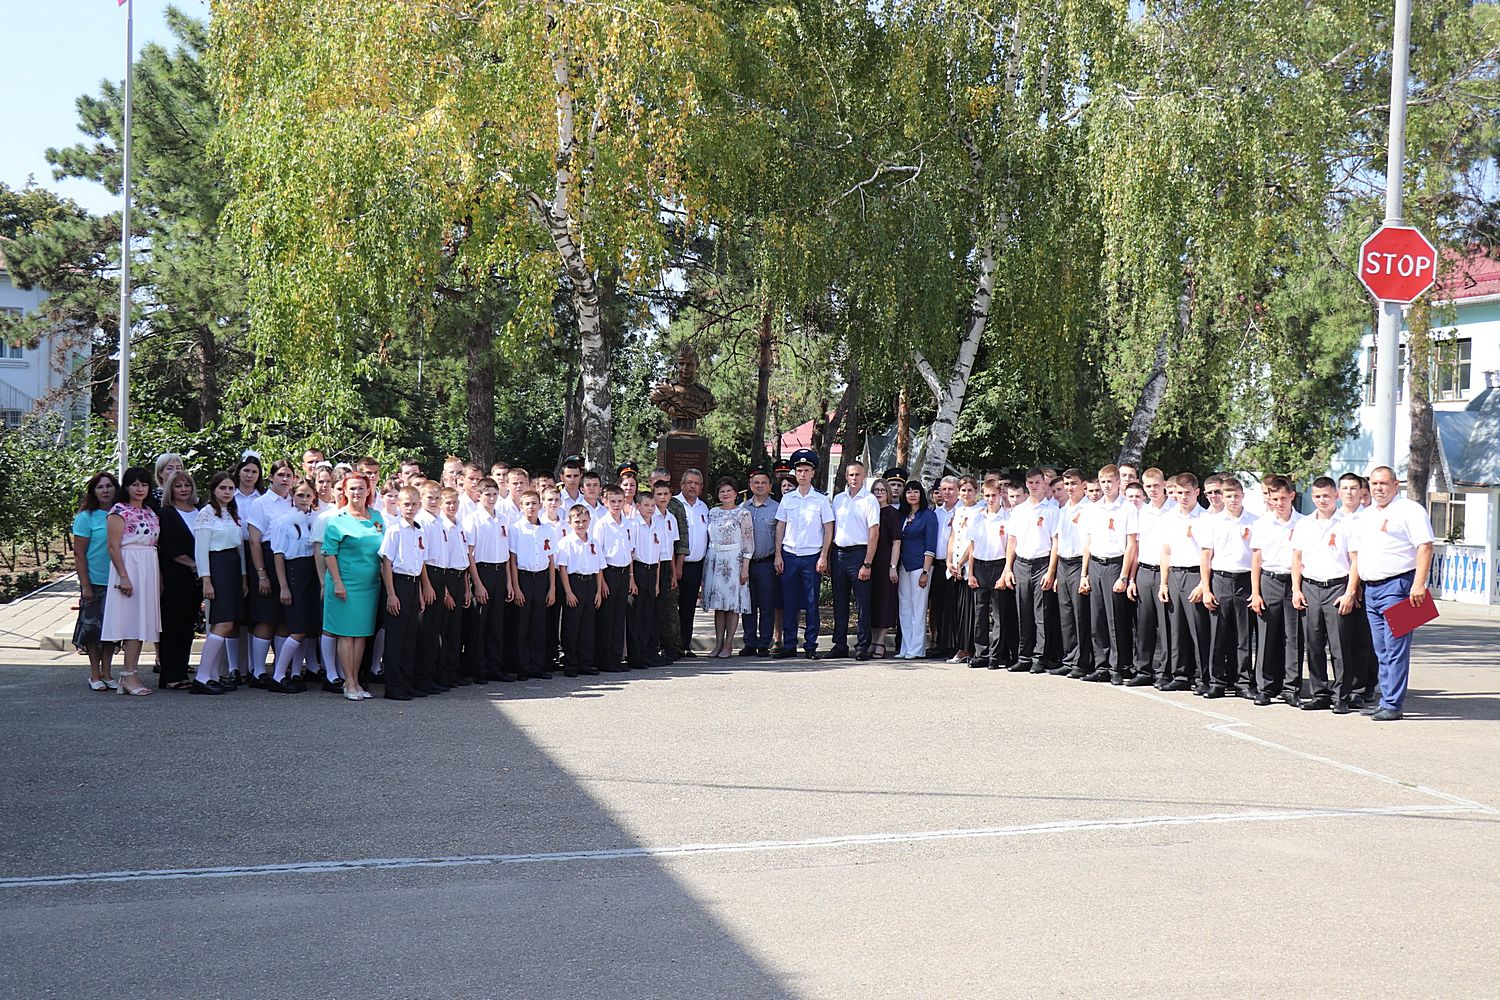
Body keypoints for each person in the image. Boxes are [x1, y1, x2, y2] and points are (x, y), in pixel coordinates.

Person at [1346, 466, 1435, 721]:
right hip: (1371, 589)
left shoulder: (1409, 510)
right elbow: (1357, 554)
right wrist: (1355, 587)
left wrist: (1419, 584)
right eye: (1374, 484)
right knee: (1381, 649)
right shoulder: (1366, 515)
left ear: (1396, 484)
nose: (1378, 488)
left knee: (1395, 648)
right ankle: (1385, 699)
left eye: (1384, 483)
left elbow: (1425, 546)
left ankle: (1393, 704)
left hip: (1399, 585)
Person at [1291, 478, 1360, 713]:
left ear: (1336, 496)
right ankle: (1319, 693)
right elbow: (1297, 559)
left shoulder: (1347, 524)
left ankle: (1341, 696)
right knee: (1314, 644)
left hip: (1337, 587)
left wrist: (1350, 592)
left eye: (1327, 496)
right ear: (1312, 497)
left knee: (1340, 647)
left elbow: (1355, 561)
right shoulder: (1304, 524)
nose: (1322, 500)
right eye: (1318, 496)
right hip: (1310, 587)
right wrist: (1296, 589)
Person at [321, 473, 386, 701]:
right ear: (345, 492)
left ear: (368, 491)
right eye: (352, 488)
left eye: (361, 488)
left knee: (361, 635)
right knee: (346, 635)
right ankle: (348, 682)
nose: (357, 492)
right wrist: (338, 582)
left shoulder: (376, 517)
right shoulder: (337, 520)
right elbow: (329, 553)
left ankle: (356, 681)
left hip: (370, 586)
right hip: (345, 585)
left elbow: (383, 549)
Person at [101, 467, 161, 696]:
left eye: (144, 484)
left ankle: (131, 674)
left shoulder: (150, 512)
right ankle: (127, 674)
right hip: (129, 566)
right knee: (131, 622)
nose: (139, 489)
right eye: (135, 484)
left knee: (142, 623)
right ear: (126, 487)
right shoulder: (118, 511)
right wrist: (124, 576)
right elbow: (113, 546)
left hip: (148, 566)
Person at [1199, 476, 1258, 699]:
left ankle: (1243, 681)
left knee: (1244, 635)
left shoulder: (1255, 521)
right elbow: (1206, 557)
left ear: (1243, 496)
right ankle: (1217, 681)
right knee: (1218, 634)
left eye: (1236, 496)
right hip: (1221, 578)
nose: (1233, 500)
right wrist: (1206, 588)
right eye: (1229, 496)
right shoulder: (1212, 522)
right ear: (1222, 498)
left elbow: (1257, 556)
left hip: (1245, 580)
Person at [773, 449, 834, 659]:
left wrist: (824, 556)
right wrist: (778, 555)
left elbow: (828, 528)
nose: (802, 474)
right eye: (799, 470)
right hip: (790, 555)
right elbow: (780, 527)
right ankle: (789, 644)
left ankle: (810, 645)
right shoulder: (788, 499)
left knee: (811, 603)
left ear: (813, 473)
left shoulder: (821, 500)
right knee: (789, 603)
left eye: (807, 470)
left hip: (811, 557)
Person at [1249, 475, 1304, 707]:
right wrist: (1255, 593)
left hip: (1293, 582)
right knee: (1267, 636)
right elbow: (1256, 560)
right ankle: (1265, 687)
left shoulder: (1303, 523)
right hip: (1269, 580)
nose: (1279, 503)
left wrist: (1297, 588)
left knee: (1293, 637)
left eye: (1283, 498)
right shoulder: (1262, 524)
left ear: (1292, 496)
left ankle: (1291, 688)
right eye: (1275, 499)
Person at [1000, 468, 1060, 674]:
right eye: (1031, 483)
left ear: (1044, 484)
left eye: (1037, 482)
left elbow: (1055, 542)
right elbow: (1012, 541)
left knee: (1041, 614)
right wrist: (1008, 568)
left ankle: (1039, 657)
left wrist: (1051, 571)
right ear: (1026, 484)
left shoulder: (1052, 510)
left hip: (1042, 563)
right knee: (1023, 612)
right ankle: (1024, 656)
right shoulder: (1018, 511)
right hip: (1022, 564)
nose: (1034, 486)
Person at [379, 485, 435, 700]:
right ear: (399, 505)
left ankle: (406, 682)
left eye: (414, 504)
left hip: (413, 585)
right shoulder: (394, 530)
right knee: (396, 638)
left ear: (419, 505)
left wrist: (421, 591)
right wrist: (391, 594)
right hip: (398, 583)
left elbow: (420, 563)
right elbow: (386, 562)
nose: (410, 508)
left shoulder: (420, 531)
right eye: (406, 504)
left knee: (411, 637)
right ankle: (393, 686)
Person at [194, 472, 246, 695]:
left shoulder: (231, 512)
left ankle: (214, 675)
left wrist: (243, 575)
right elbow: (201, 550)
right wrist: (206, 580)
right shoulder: (206, 514)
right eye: (222, 488)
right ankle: (202, 676)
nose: (227, 492)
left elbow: (239, 547)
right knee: (222, 622)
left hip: (232, 568)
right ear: (213, 490)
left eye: (230, 488)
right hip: (218, 568)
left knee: (229, 623)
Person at [244, 459, 296, 686]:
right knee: (266, 617)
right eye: (281, 475)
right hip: (267, 558)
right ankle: (258, 671)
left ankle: (279, 670)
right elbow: (254, 541)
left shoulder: (295, 500)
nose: (285, 479)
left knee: (285, 618)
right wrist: (262, 574)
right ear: (271, 477)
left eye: (289, 475)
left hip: (290, 561)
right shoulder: (261, 503)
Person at [1157, 473, 1210, 693]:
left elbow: (1208, 554)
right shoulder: (1169, 517)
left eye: (1188, 493)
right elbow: (1166, 552)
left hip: (1196, 574)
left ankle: (1202, 677)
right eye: (1179, 493)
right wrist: (1163, 583)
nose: (1183, 497)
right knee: (1176, 629)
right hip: (1175, 574)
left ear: (1197, 492)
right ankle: (1180, 675)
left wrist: (1203, 584)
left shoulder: (1205, 518)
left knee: (1198, 629)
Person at [1079, 464, 1132, 683]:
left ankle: (1117, 667)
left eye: (1110, 481)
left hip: (1115, 564)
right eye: (1103, 482)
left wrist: (1124, 576)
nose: (1106, 486)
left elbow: (1131, 545)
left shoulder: (1127, 508)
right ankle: (1101, 665)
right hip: (1095, 564)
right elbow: (1088, 542)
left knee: (1114, 620)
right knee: (1097, 619)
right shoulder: (1092, 509)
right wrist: (1084, 574)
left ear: (1118, 482)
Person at [268, 479, 321, 693]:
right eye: (300, 495)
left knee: (307, 629)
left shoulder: (315, 520)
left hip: (311, 574)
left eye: (308, 495)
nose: (304, 499)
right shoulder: (283, 522)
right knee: (297, 629)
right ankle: (279, 675)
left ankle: (296, 673)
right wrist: (284, 586)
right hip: (294, 574)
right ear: (292, 495)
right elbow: (278, 555)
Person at [1125, 468, 1175, 687]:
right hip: (1144, 571)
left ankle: (1165, 671)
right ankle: (1143, 669)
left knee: (1166, 625)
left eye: (1156, 485)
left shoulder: (1174, 511)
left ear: (1164, 485)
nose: (1153, 490)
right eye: (1148, 486)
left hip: (1167, 572)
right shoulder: (1142, 512)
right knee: (1144, 625)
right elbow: (1136, 547)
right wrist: (1131, 579)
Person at [828, 460, 881, 660]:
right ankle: (839, 644)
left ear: (864, 476)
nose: (854, 478)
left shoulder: (869, 500)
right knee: (839, 602)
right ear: (845, 476)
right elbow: (832, 528)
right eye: (851, 475)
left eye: (858, 474)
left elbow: (874, 532)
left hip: (860, 554)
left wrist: (867, 563)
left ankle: (862, 645)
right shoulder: (838, 499)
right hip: (839, 554)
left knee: (862, 604)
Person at [464, 477, 515, 683]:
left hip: (500, 571)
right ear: (479, 495)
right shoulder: (473, 519)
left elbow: (506, 553)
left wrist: (509, 582)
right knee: (479, 624)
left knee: (497, 623)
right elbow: (469, 554)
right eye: (487, 494)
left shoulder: (501, 518)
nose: (492, 498)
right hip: (482, 571)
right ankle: (478, 669)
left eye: (494, 494)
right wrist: (477, 584)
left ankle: (495, 667)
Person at [72, 471, 119, 691]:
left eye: (109, 486)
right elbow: (79, 554)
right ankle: (94, 674)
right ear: (93, 491)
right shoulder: (86, 517)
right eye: (100, 487)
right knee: (93, 631)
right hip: (95, 581)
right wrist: (85, 585)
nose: (105, 491)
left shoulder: (122, 513)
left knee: (112, 630)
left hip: (118, 581)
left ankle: (108, 672)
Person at [156, 470, 203, 691]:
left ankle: (182, 671)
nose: (184, 489)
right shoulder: (166, 513)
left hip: (196, 579)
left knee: (187, 627)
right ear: (171, 489)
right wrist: (192, 563)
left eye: (187, 485)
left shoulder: (200, 510)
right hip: (176, 576)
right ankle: (170, 675)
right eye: (178, 486)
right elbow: (168, 546)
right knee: (172, 625)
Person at [703, 477, 754, 658]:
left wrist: (745, 567)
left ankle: (728, 643)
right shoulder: (712, 512)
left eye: (729, 491)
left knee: (732, 605)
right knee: (719, 605)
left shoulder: (743, 513)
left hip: (735, 561)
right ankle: (718, 643)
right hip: (715, 560)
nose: (725, 494)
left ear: (735, 493)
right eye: (722, 491)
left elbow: (748, 541)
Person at [963, 478, 1010, 670]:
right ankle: (980, 653)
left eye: (994, 495)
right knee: (980, 613)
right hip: (980, 566)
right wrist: (971, 573)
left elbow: (1009, 548)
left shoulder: (1007, 517)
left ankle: (996, 655)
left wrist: (1005, 572)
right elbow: (972, 547)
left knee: (998, 614)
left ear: (1000, 495)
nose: (990, 499)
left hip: (999, 565)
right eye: (987, 496)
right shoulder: (977, 518)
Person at [511, 490, 557, 679]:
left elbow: (551, 559)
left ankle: (537, 666)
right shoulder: (516, 529)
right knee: (522, 625)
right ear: (521, 507)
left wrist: (552, 588)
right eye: (527, 504)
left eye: (534, 503)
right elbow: (513, 560)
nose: (531, 507)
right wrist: (516, 587)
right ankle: (523, 667)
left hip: (542, 578)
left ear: (540, 505)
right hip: (524, 578)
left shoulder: (547, 529)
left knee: (539, 624)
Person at [1053, 468, 1093, 678]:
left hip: (1079, 563)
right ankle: (1069, 658)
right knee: (1066, 615)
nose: (1069, 488)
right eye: (1066, 484)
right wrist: (1055, 572)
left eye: (1073, 483)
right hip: (1064, 563)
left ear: (1083, 485)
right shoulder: (1063, 509)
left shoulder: (1089, 509)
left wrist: (1085, 573)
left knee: (1080, 615)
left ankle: (1082, 661)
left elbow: (1088, 543)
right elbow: (1057, 541)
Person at [556, 505, 604, 676]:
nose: (581, 525)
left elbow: (599, 568)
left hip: (590, 584)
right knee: (572, 626)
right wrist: (568, 592)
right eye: (577, 521)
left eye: (584, 521)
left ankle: (586, 663)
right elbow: (562, 568)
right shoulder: (565, 543)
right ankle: (570, 663)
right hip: (574, 583)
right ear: (569, 522)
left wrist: (598, 592)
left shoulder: (594, 542)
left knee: (587, 626)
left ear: (589, 521)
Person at [893, 479, 938, 660]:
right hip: (904, 565)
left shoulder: (928, 516)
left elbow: (931, 545)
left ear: (921, 494)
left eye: (916, 491)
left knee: (918, 608)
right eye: (909, 491)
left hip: (921, 566)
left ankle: (917, 648)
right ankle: (906, 646)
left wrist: (925, 572)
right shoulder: (902, 516)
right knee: (904, 607)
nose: (912, 495)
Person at [592, 484, 635, 672]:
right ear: (605, 502)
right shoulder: (601, 524)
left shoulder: (627, 524)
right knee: (607, 617)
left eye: (619, 501)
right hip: (608, 572)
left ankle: (616, 657)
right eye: (612, 501)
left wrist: (631, 576)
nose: (616, 505)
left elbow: (630, 552)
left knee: (619, 616)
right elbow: (598, 554)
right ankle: (604, 658)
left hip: (624, 572)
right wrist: (601, 582)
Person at [738, 466, 780, 656]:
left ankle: (764, 643)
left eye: (764, 483)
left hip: (766, 563)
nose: (760, 486)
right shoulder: (742, 508)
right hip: (746, 565)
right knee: (748, 605)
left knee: (766, 605)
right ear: (750, 485)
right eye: (756, 483)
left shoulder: (777, 509)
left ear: (770, 486)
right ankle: (749, 642)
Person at [627, 491, 667, 670]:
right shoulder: (634, 525)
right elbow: (630, 554)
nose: (650, 509)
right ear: (638, 506)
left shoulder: (657, 525)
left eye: (652, 506)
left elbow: (657, 557)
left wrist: (657, 582)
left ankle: (647, 653)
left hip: (652, 572)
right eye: (646, 505)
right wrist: (632, 579)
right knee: (637, 616)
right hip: (639, 570)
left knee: (648, 615)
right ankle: (635, 656)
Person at [674, 469, 710, 656]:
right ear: (682, 484)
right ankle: (669, 646)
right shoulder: (673, 504)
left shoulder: (704, 508)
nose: (692, 486)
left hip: (696, 565)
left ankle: (685, 645)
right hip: (675, 565)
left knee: (688, 608)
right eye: (689, 482)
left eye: (696, 483)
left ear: (701, 487)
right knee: (671, 608)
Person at [867, 478, 901, 659]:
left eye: (882, 490)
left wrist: (892, 566)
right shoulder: (869, 510)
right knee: (871, 602)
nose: (879, 493)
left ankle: (880, 641)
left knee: (885, 602)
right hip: (869, 561)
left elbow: (897, 542)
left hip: (886, 562)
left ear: (888, 493)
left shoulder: (892, 513)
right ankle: (872, 641)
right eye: (876, 490)